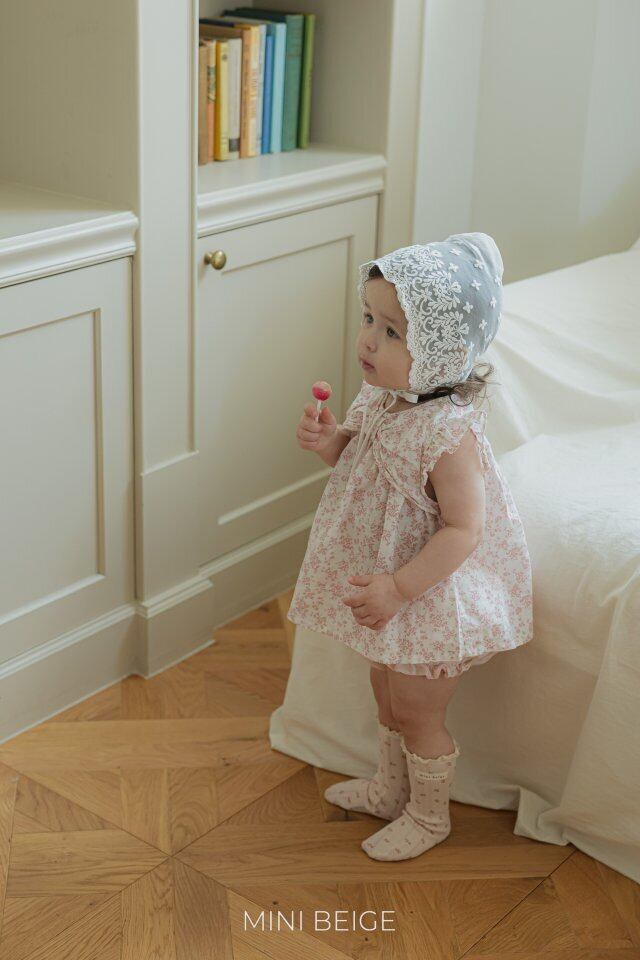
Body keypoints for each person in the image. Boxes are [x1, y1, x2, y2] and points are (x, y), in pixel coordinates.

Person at [287, 233, 533, 862]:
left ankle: (428, 816)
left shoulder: (448, 435)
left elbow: (464, 530)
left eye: (393, 331)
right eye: (369, 318)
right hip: (390, 594)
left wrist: (398, 588)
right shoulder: (383, 398)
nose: (368, 340)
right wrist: (329, 441)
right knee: (385, 694)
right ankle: (389, 787)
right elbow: (355, 458)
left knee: (418, 713)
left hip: (426, 599)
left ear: (442, 352)